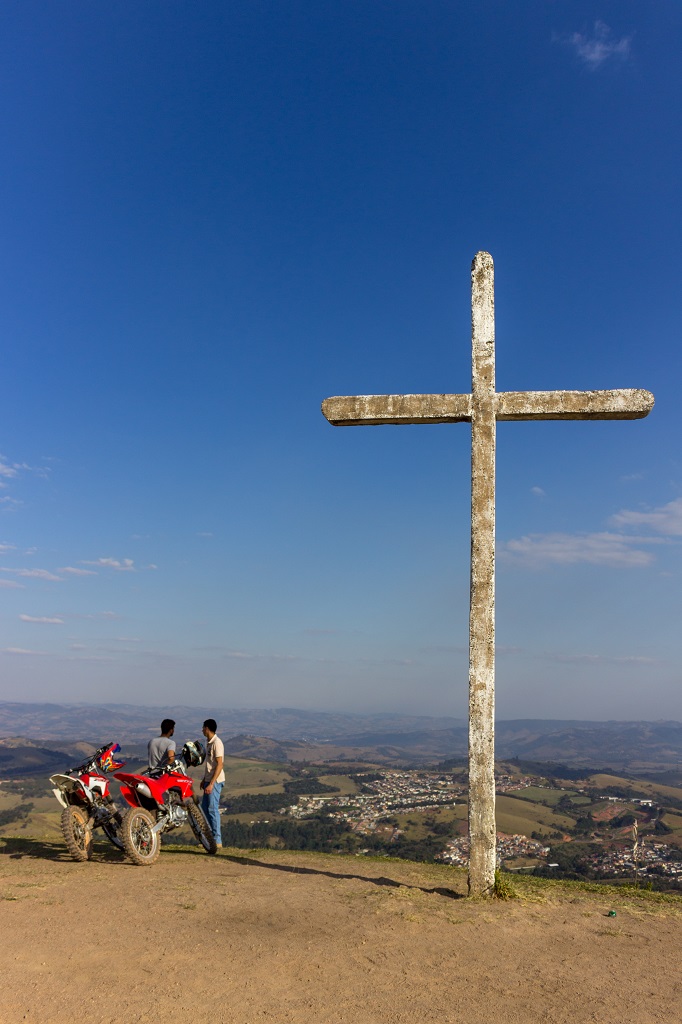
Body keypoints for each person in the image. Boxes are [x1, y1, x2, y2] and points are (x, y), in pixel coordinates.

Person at [200, 718, 225, 848]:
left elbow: (219, 764)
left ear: (207, 728)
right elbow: (210, 764)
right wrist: (205, 780)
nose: (202, 730)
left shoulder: (217, 743)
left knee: (212, 809)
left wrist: (211, 783)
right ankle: (210, 838)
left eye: (203, 727)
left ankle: (217, 840)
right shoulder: (209, 742)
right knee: (204, 809)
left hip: (215, 781)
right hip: (209, 780)